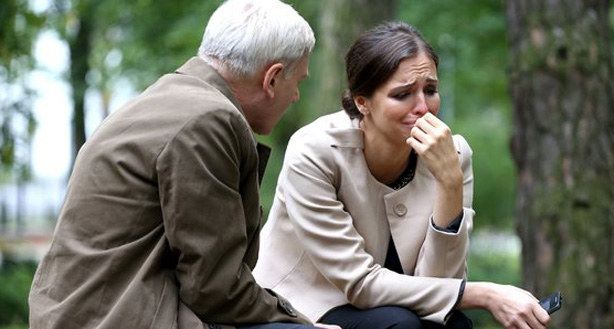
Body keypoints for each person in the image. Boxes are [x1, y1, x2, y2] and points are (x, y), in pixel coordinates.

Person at [28, 1, 338, 329]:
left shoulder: (168, 99)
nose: (297, 97)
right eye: (298, 82)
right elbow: (215, 289)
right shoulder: (209, 121)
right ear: (272, 78)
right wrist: (304, 323)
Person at [252, 22, 552, 329]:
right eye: (403, 94)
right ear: (362, 102)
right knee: (400, 325)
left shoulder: (453, 154)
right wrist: (485, 294)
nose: (423, 107)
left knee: (454, 324)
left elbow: (441, 285)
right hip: (306, 302)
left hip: (397, 303)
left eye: (431, 91)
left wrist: (449, 182)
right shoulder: (315, 150)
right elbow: (360, 284)